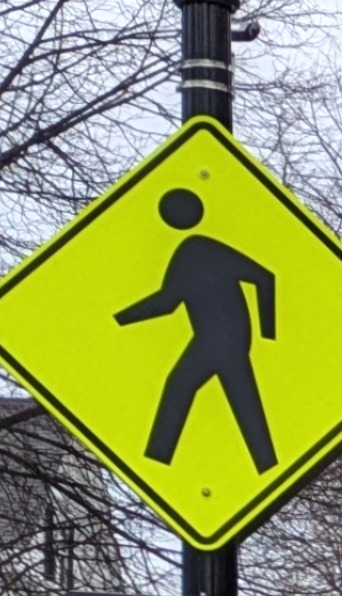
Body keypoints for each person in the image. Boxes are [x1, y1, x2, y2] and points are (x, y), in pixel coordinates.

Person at [116, 186, 282, 476]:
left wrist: (269, 333)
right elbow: (168, 302)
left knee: (181, 385)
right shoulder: (189, 252)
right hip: (222, 339)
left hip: (221, 339)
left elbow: (264, 277)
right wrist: (121, 319)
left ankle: (158, 459)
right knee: (242, 402)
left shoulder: (200, 249)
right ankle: (266, 464)